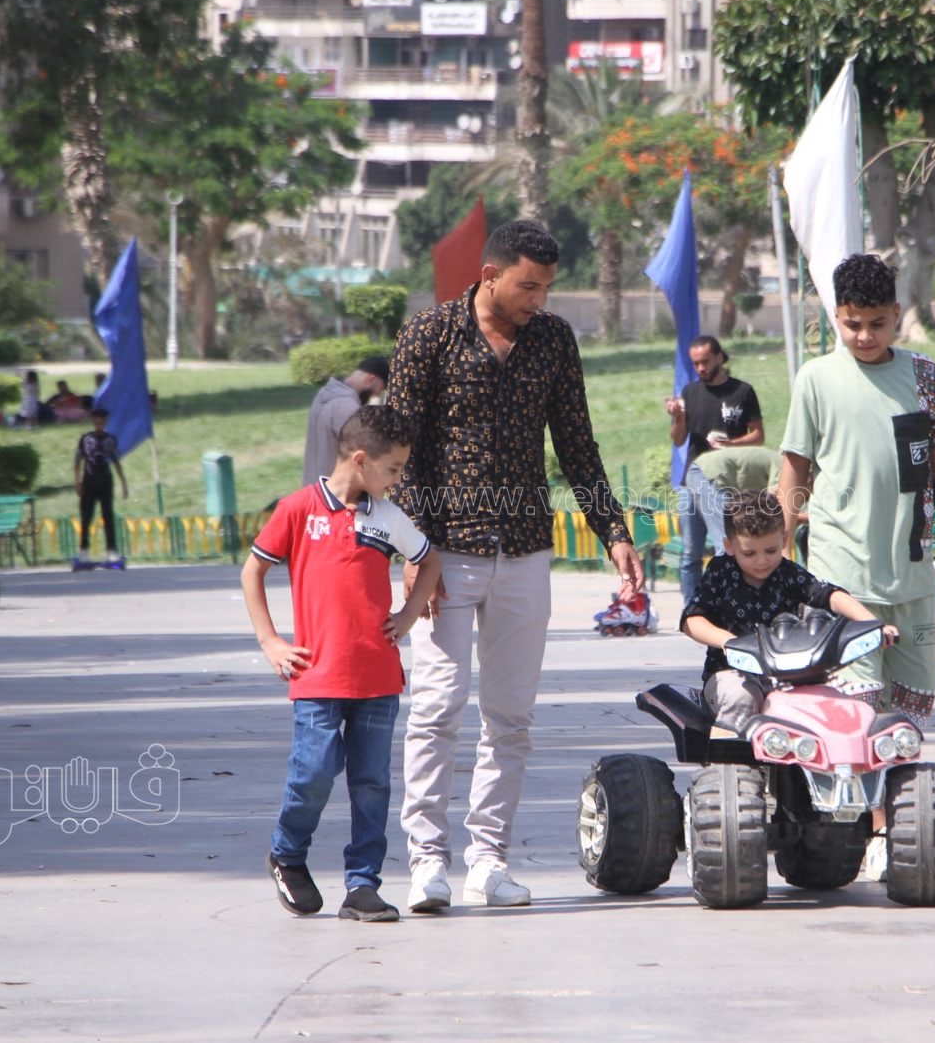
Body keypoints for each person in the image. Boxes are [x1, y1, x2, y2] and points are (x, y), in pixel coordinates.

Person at [388, 218, 644, 912]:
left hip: (526, 550)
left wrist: (613, 530)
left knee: (510, 718)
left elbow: (578, 443)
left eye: (547, 287)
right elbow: (398, 449)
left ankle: (488, 862)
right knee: (437, 707)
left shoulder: (553, 340)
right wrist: (413, 547)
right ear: (490, 275)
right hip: (444, 553)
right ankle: (426, 862)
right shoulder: (430, 334)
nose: (539, 299)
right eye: (528, 286)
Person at [778, 253, 935, 881]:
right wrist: (779, 547)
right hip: (840, 571)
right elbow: (795, 467)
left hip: (911, 569)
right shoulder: (816, 379)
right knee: (860, 708)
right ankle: (875, 831)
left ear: (897, 315)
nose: (865, 336)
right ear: (836, 317)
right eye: (852, 324)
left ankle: (901, 820)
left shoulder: (924, 376)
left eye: (877, 323)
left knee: (908, 710)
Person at [243, 405, 442, 923]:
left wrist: (408, 615)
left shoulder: (388, 517)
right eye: (393, 468)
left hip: (378, 677)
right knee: (313, 773)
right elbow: (253, 571)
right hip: (316, 676)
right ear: (360, 460)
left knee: (372, 785)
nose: (397, 479)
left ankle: (362, 885)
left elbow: (428, 559)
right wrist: (270, 641)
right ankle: (287, 854)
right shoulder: (297, 509)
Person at [682, 489, 896, 731]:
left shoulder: (788, 573)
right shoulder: (720, 572)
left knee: (832, 702)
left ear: (784, 541)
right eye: (749, 553)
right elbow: (692, 620)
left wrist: (872, 624)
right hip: (731, 671)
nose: (762, 560)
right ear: (729, 546)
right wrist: (728, 642)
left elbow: (829, 595)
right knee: (740, 698)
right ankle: (732, 755)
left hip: (790, 673)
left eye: (771, 551)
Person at [665, 335, 763, 598]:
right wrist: (678, 418)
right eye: (696, 364)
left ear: (720, 357)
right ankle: (692, 609)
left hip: (725, 482)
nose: (701, 368)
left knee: (725, 547)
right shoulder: (690, 392)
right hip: (691, 481)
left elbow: (758, 435)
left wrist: (730, 444)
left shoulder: (742, 392)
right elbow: (678, 440)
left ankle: (729, 604)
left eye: (705, 362)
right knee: (690, 554)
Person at [301, 355, 391, 485]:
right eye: (377, 391)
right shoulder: (347, 407)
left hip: (313, 485)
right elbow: (367, 455)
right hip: (332, 490)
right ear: (370, 379)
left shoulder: (323, 394)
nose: (375, 396)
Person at [688, 445, 782, 559]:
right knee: (728, 543)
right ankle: (726, 569)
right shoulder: (785, 466)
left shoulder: (778, 460)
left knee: (693, 550)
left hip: (698, 468)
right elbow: (774, 506)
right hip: (714, 475)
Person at [73, 407, 128, 562]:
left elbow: (116, 462)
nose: (99, 424)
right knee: (86, 517)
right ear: (93, 421)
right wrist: (77, 481)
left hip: (105, 481)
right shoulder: (85, 439)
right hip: (89, 481)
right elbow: (77, 461)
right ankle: (84, 550)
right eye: (96, 420)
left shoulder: (110, 439)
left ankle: (111, 550)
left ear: (105, 422)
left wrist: (123, 482)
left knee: (108, 516)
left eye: (102, 421)